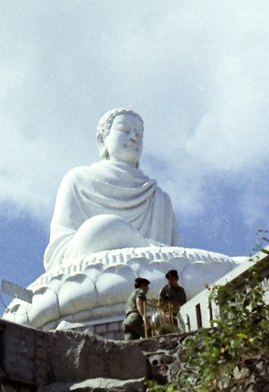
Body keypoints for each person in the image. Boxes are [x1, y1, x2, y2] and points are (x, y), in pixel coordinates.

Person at [43, 109, 180, 272]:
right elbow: (61, 251)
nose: (134, 137)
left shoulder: (158, 197)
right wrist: (110, 234)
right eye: (125, 130)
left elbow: (175, 256)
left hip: (152, 274)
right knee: (102, 227)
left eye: (139, 134)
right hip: (90, 270)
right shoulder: (78, 179)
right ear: (102, 140)